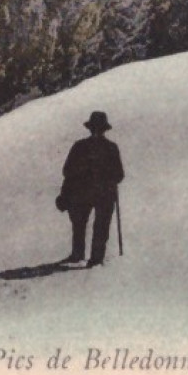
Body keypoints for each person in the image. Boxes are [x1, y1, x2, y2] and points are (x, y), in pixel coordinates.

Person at [56, 112, 124, 267]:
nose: (96, 132)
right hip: (102, 193)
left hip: (84, 192)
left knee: (81, 224)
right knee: (99, 226)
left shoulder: (80, 146)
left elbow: (67, 171)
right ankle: (94, 257)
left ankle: (79, 254)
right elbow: (119, 175)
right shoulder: (111, 148)